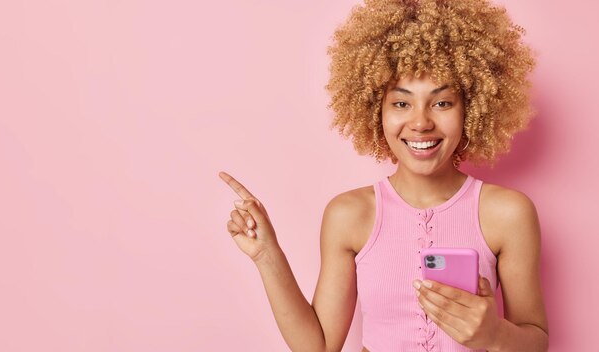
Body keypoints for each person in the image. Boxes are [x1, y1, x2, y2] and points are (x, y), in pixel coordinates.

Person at [219, 0, 548, 350]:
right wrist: (266, 255)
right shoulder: (349, 215)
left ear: (472, 109)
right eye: (401, 103)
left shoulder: (508, 213)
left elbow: (536, 339)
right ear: (376, 110)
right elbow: (318, 346)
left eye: (442, 102)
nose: (421, 122)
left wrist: (494, 335)